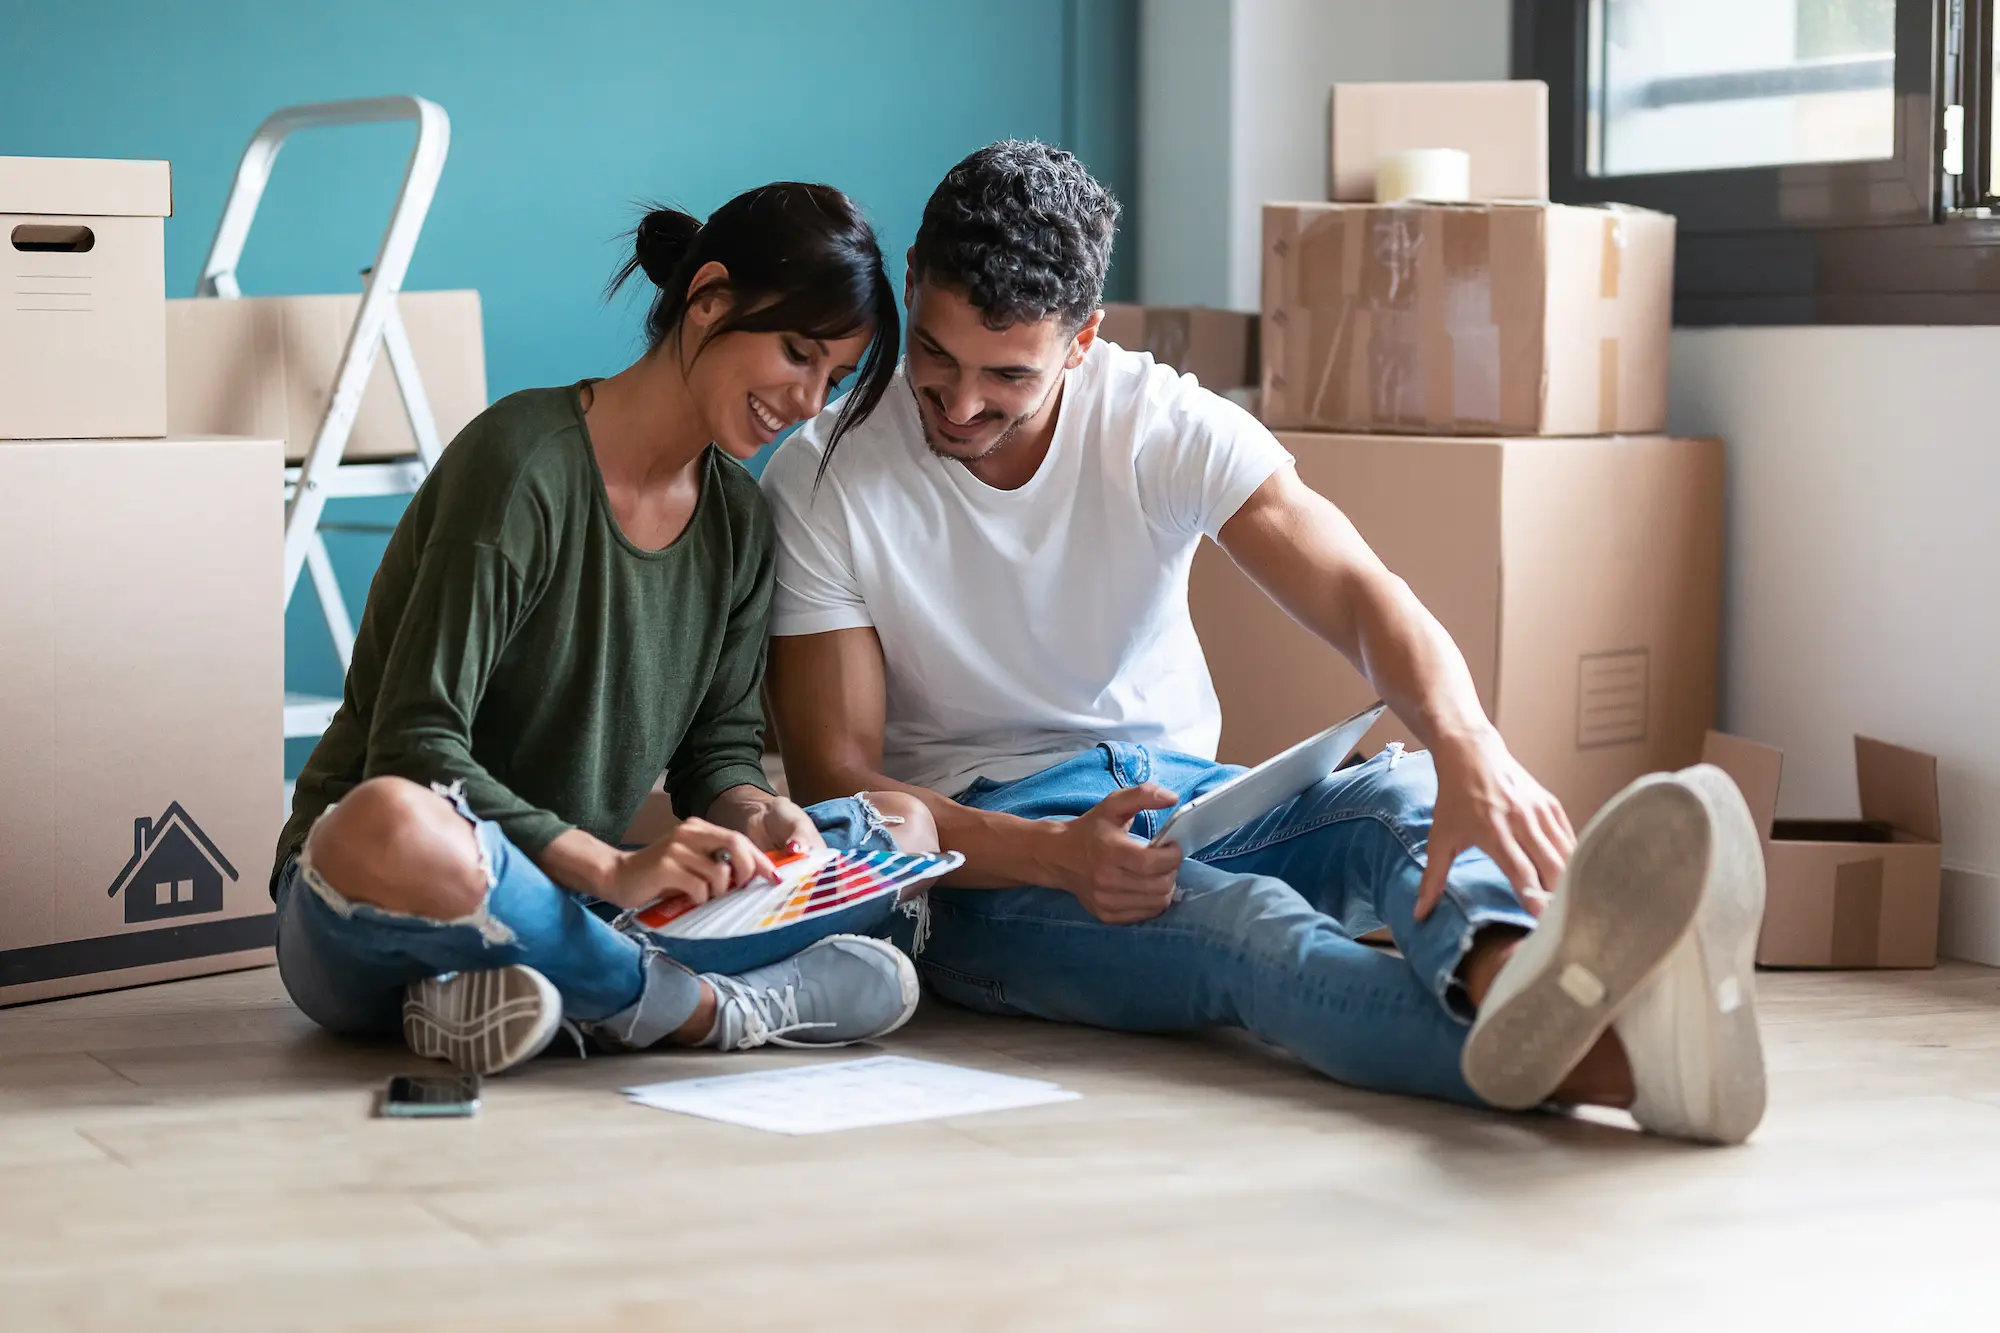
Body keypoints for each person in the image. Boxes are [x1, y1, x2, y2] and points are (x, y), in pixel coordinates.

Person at [760, 142, 1769, 1145]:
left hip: (1189, 801)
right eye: (934, 356)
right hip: (984, 868)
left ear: (1080, 342)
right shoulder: (823, 475)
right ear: (910, 290)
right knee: (1248, 933)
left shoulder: (1150, 419)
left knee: (1404, 793)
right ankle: (1635, 1062)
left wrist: (1472, 751)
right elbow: (838, 781)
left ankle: (1513, 977)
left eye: (1007, 374)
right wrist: (1055, 855)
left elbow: (1359, 592)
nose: (961, 403)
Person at [272, 182, 941, 1077]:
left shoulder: (740, 524)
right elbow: (414, 749)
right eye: (796, 353)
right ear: (707, 299)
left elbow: (717, 758)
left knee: (898, 825)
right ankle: (695, 1007)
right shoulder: (520, 466)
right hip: (381, 895)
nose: (809, 401)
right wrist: (610, 869)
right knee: (391, 820)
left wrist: (761, 816)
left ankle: (533, 993)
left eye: (833, 378)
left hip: (581, 900)